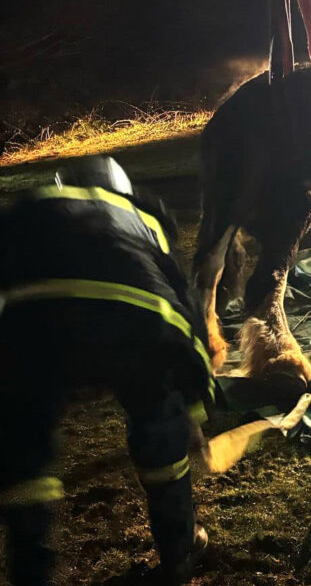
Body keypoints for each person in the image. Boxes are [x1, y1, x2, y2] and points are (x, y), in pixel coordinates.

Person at [0, 156, 215, 586]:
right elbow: (188, 311)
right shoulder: (144, 220)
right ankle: (178, 555)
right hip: (142, 322)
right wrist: (197, 405)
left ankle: (30, 571)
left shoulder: (32, 204)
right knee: (160, 431)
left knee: (24, 448)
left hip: (36, 322)